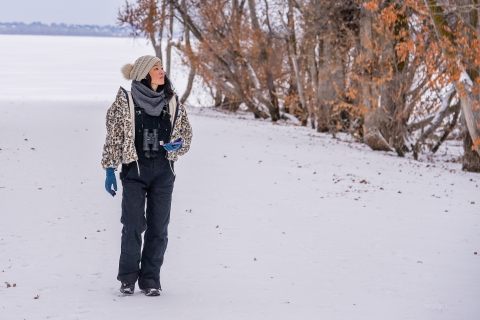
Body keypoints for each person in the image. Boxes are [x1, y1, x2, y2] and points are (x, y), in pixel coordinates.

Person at [101, 55, 192, 296]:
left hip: (164, 174)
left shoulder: (172, 102)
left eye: (162, 67)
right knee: (132, 225)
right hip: (135, 172)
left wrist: (178, 145)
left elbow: (186, 135)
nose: (162, 72)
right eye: (156, 68)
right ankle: (128, 278)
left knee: (158, 228)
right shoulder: (126, 101)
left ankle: (151, 280)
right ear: (143, 73)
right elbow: (114, 136)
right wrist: (110, 169)